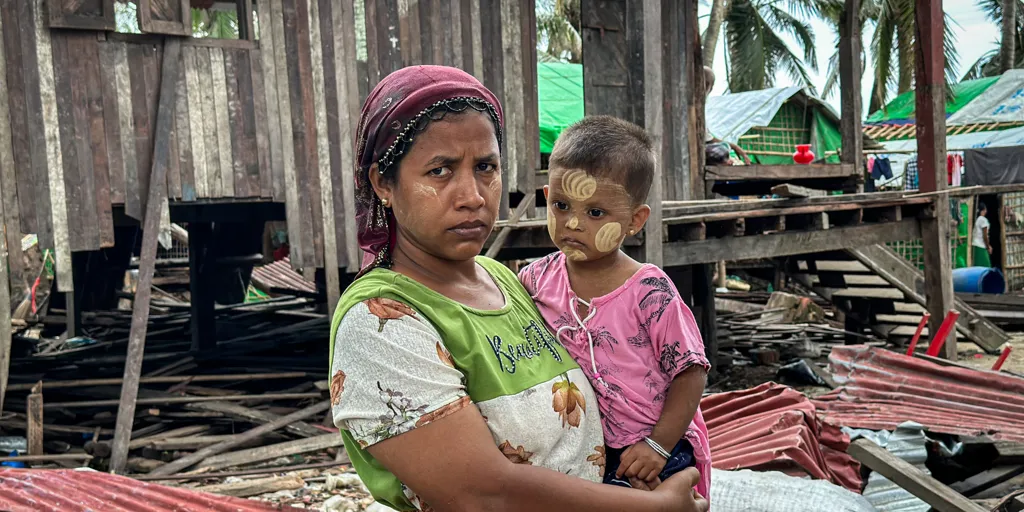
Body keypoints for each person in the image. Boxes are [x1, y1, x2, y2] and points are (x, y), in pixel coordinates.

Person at [329, 65, 709, 512]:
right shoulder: (381, 320)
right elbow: (481, 495)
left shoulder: (509, 282)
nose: (472, 195)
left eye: (485, 167)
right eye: (440, 171)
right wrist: (658, 508)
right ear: (382, 183)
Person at [519, 116, 712, 500]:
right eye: (560, 205)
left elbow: (690, 373)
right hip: (584, 449)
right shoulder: (535, 280)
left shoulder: (649, 292)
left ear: (634, 221)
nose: (572, 223)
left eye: (595, 213)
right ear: (545, 197)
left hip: (657, 447)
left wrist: (658, 447)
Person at [973, 202, 993, 267]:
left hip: (976, 246)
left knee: (978, 267)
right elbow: (985, 236)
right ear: (984, 210)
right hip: (981, 246)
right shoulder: (983, 220)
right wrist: (988, 247)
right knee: (987, 267)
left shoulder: (977, 220)